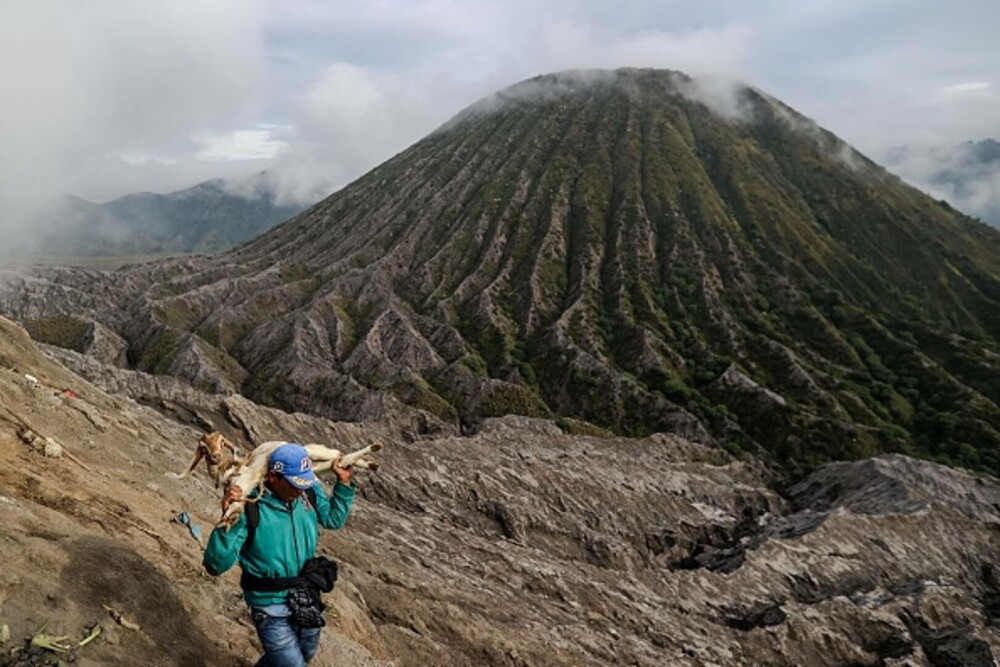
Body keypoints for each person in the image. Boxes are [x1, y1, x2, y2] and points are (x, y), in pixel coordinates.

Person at [203, 442, 355, 666]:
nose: (301, 489)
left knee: (305, 654)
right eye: (295, 484)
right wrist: (229, 517)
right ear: (273, 477)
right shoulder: (250, 505)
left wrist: (343, 483)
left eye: (304, 482)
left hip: (306, 595)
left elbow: (332, 519)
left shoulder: (308, 492)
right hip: (269, 605)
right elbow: (215, 565)